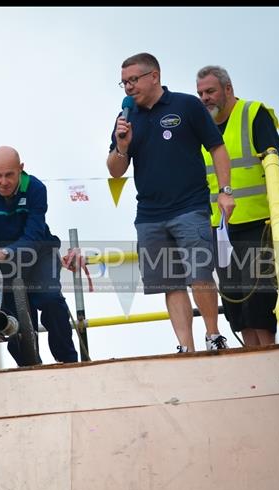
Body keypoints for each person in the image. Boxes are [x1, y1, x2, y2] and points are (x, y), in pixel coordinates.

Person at [106, 53, 235, 353]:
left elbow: (217, 148)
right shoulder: (126, 117)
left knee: (199, 273)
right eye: (124, 82)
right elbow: (114, 170)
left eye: (133, 80)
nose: (128, 87)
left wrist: (225, 191)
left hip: (190, 206)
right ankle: (185, 347)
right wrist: (121, 146)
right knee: (170, 282)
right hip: (149, 214)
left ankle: (213, 336)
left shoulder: (187, 105)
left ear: (155, 76)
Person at [196, 65, 279, 346]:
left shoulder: (253, 114)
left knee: (261, 304)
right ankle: (250, 361)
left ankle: (268, 358)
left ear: (228, 89)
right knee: (237, 306)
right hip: (220, 229)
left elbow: (274, 164)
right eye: (200, 93)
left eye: (210, 91)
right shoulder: (201, 129)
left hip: (260, 224)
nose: (205, 98)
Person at [0, 146, 79, 365]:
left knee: (51, 300)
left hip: (39, 253)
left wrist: (8, 252)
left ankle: (68, 361)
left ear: (21, 169)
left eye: (9, 175)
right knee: (14, 319)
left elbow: (34, 235)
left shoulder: (36, 188)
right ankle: (29, 367)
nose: (3, 182)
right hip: (2, 259)